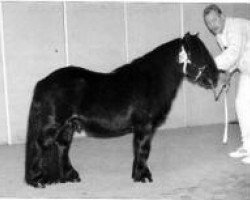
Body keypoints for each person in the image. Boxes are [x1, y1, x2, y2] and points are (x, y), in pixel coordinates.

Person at [203, 4, 250, 164]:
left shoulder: (235, 27)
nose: (212, 25)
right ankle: (248, 146)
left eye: (214, 20)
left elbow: (234, 53)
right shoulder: (220, 34)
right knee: (242, 104)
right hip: (247, 69)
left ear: (222, 17)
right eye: (208, 23)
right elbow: (233, 58)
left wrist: (208, 65)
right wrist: (227, 75)